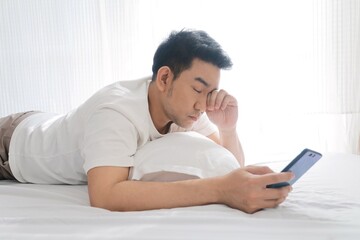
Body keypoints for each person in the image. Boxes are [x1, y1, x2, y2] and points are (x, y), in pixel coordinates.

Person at [0, 29, 293, 214]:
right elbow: (105, 196)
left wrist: (227, 128)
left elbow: (228, 164)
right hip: (11, 145)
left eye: (211, 93)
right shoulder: (117, 112)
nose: (204, 104)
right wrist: (219, 190)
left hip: (44, 123)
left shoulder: (185, 111)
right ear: (165, 78)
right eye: (198, 89)